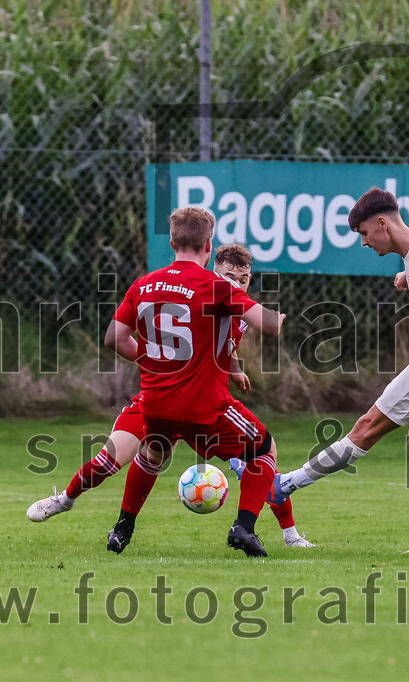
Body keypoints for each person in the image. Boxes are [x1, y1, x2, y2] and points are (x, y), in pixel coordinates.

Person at [25, 244, 315, 548]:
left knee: (238, 459)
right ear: (213, 268)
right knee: (112, 459)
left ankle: (290, 534)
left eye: (243, 279)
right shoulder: (209, 292)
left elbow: (223, 344)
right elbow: (251, 327)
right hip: (176, 400)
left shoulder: (233, 305)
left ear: (250, 279)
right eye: (229, 276)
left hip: (184, 401)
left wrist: (235, 369)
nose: (235, 284)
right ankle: (67, 500)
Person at [269, 187, 409, 554]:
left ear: (382, 223)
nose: (363, 243)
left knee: (366, 428)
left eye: (363, 233)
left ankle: (285, 485)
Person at [104, 207, 285, 557]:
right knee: (264, 450)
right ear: (209, 246)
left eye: (242, 277)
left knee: (153, 453)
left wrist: (151, 359)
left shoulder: (147, 283)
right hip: (204, 405)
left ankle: (123, 527)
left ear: (172, 241)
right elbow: (268, 325)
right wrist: (278, 320)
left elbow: (115, 338)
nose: (236, 281)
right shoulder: (218, 289)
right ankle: (244, 528)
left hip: (160, 400)